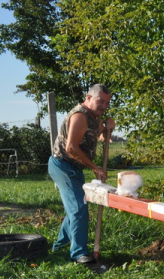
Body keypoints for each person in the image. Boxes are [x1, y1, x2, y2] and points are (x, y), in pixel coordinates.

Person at [48, 84, 115, 267]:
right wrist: (95, 167)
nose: (103, 106)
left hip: (74, 168)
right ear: (88, 98)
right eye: (100, 101)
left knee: (75, 207)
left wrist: (108, 128)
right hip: (62, 165)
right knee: (78, 208)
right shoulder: (80, 116)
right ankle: (79, 254)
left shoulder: (95, 116)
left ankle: (59, 245)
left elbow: (99, 137)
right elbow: (71, 148)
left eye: (107, 103)